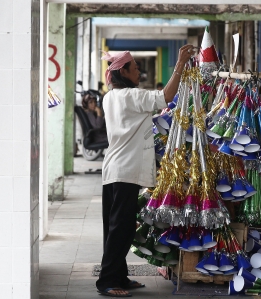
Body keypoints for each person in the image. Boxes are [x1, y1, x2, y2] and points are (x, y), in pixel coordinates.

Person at [96, 44, 195, 297]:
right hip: (126, 171)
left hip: (114, 169)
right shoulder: (133, 97)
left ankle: (119, 276)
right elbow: (166, 97)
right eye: (135, 68)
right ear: (124, 72)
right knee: (122, 228)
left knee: (116, 226)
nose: (138, 71)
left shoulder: (110, 97)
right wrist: (180, 65)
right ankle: (107, 281)